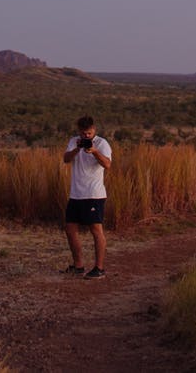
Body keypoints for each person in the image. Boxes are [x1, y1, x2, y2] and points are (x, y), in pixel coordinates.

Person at [63, 114, 112, 278]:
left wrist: (95, 151)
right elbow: (65, 159)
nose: (86, 136)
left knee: (96, 230)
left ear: (94, 130)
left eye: (89, 133)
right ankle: (78, 266)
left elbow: (107, 165)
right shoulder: (73, 141)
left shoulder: (102, 143)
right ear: (79, 132)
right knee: (70, 229)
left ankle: (99, 268)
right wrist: (77, 149)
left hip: (93, 194)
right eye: (83, 133)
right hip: (76, 194)